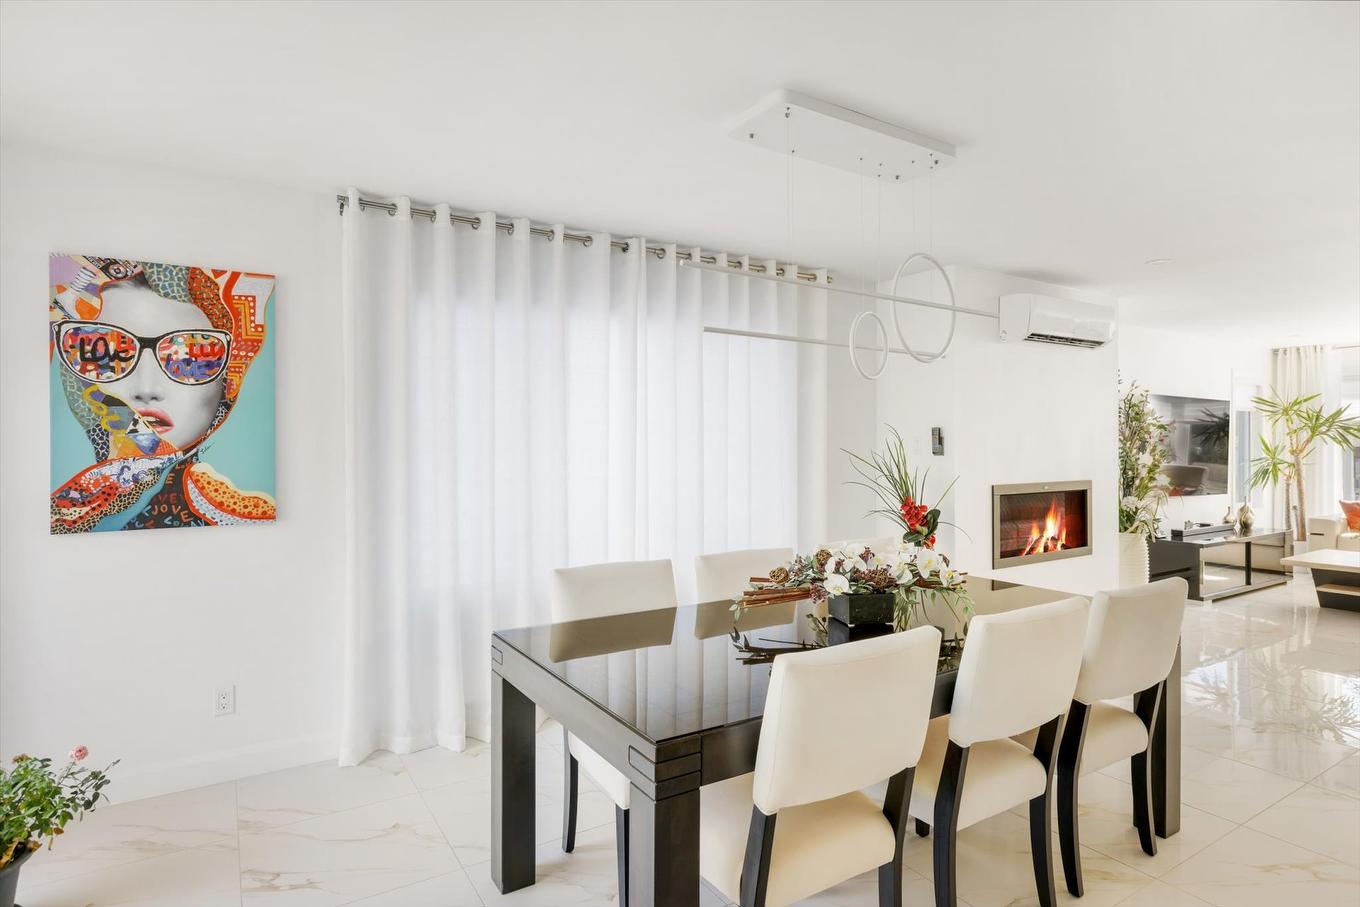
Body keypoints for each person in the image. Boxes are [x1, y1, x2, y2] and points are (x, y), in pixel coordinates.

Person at [49, 256, 275, 533]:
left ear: (228, 381)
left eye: (191, 358)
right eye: (106, 353)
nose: (147, 390)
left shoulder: (240, 520)